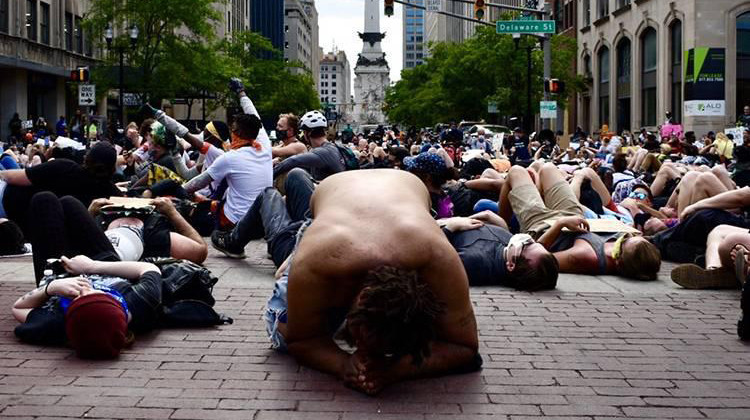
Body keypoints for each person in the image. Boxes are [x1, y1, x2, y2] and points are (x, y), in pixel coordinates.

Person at [266, 169, 479, 395]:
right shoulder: (317, 263)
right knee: (281, 333)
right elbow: (301, 340)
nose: (367, 355)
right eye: (360, 338)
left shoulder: (437, 258)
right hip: (333, 207)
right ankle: (272, 213)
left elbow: (465, 346)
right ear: (359, 297)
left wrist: (396, 370)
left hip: (403, 198)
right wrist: (342, 364)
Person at [0, 142, 122, 234]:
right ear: (112, 168)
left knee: (4, 159)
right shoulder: (110, 192)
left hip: (7, 199)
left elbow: (10, 177)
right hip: (25, 225)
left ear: (87, 157)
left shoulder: (64, 167)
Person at [182, 113, 272, 230]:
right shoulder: (265, 149)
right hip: (261, 222)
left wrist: (178, 190)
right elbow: (254, 113)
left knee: (186, 212)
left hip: (234, 222)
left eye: (233, 130)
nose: (231, 134)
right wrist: (241, 94)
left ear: (238, 132)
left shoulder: (228, 157)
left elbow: (197, 183)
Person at [438, 215, 559, 290]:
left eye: (527, 245)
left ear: (511, 265)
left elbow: (433, 261)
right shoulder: (509, 247)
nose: (526, 239)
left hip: (434, 227)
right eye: (533, 242)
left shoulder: (475, 262)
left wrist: (450, 228)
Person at [272, 111, 345, 182]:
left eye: (304, 132)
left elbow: (292, 161)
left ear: (308, 133)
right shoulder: (332, 148)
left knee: (296, 173)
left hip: (329, 192)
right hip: (334, 189)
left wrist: (273, 173)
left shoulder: (321, 152)